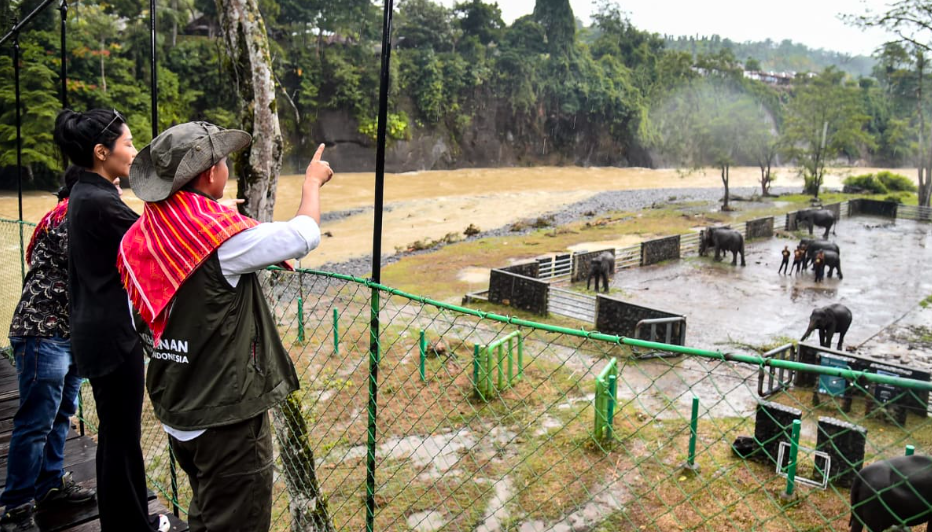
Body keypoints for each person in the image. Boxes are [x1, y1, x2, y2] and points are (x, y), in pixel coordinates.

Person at [118, 122, 333, 531]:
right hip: (225, 417)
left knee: (208, 508)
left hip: (178, 408)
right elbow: (303, 235)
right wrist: (311, 183)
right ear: (208, 173)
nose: (227, 169)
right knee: (238, 519)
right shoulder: (220, 239)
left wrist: (225, 214)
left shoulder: (138, 235)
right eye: (223, 162)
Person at [54, 109, 167, 532]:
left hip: (95, 332)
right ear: (101, 153)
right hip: (111, 336)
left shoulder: (85, 194)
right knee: (121, 442)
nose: (134, 151)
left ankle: (129, 521)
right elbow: (153, 241)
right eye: (128, 144)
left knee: (117, 441)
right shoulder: (100, 202)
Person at [0, 167, 97, 532]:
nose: (113, 194)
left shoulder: (56, 217)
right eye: (108, 187)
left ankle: (50, 484)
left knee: (60, 414)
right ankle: (16, 505)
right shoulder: (74, 218)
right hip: (43, 333)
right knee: (36, 421)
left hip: (64, 332)